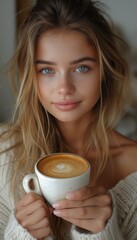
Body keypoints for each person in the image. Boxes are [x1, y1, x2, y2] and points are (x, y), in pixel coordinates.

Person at [0, 0, 137, 239]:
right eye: (47, 70)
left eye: (81, 68)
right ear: (30, 76)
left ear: (105, 71)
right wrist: (20, 233)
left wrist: (103, 233)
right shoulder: (3, 154)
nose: (64, 88)